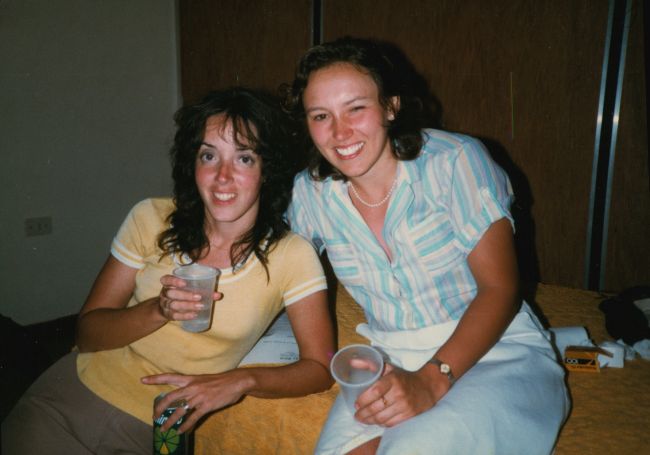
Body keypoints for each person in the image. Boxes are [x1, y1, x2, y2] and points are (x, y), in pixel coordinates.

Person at [2, 87, 335, 454]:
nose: (222, 176)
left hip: (160, 425)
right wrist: (157, 310)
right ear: (192, 164)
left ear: (267, 170)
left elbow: (319, 367)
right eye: (209, 155)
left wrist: (240, 380)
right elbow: (89, 332)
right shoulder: (150, 218)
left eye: (244, 159)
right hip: (71, 399)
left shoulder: (292, 256)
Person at [284, 36, 569, 455]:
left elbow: (501, 290)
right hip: (388, 355)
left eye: (356, 108)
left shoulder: (456, 161)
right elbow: (276, 271)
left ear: (391, 106)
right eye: (321, 115)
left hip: (495, 348)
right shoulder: (309, 193)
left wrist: (430, 381)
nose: (339, 132)